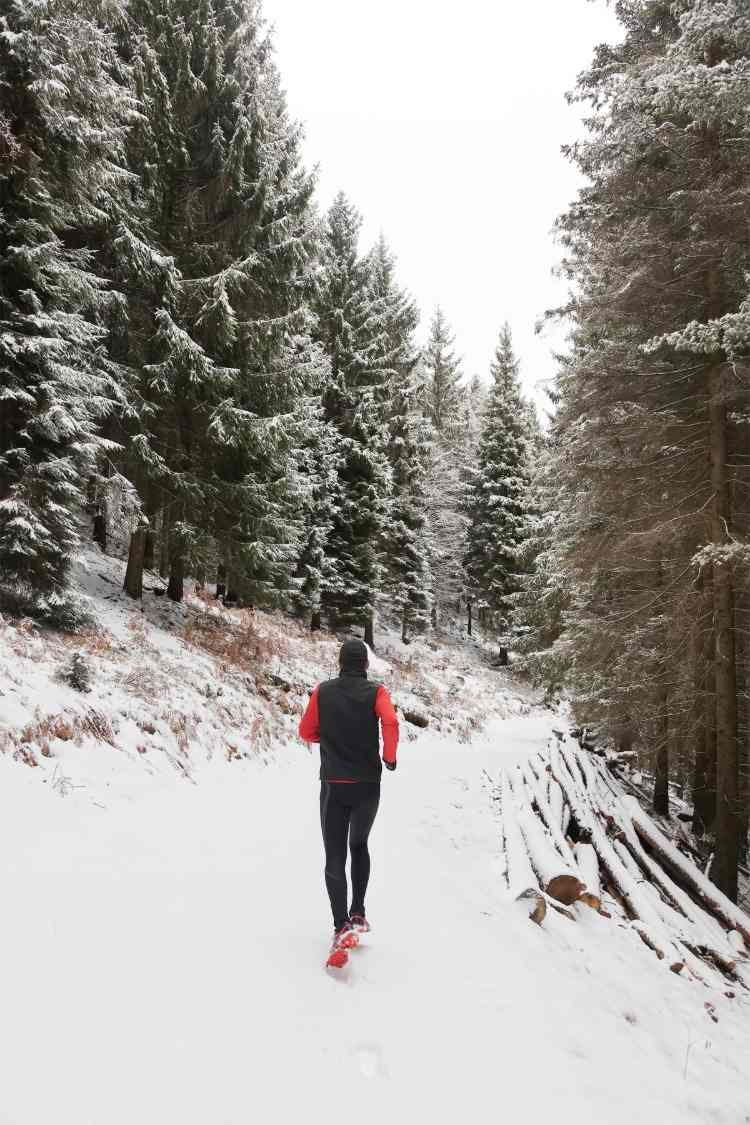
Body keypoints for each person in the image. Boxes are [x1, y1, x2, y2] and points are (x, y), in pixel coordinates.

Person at [299, 638, 399, 967]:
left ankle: (341, 925)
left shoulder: (322, 692)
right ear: (366, 665)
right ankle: (358, 912)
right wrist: (389, 756)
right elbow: (391, 722)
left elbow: (306, 731)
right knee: (359, 844)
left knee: (334, 856)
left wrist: (328, 737)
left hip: (334, 785)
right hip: (368, 785)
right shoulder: (377, 693)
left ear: (340, 662)